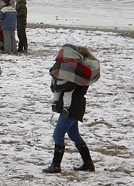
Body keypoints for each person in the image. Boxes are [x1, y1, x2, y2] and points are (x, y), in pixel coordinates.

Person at [43, 44, 101, 173]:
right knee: (73, 134)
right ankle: (88, 163)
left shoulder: (76, 71)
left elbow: (64, 86)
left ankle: (56, 165)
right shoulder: (84, 72)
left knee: (58, 134)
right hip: (77, 105)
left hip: (72, 107)